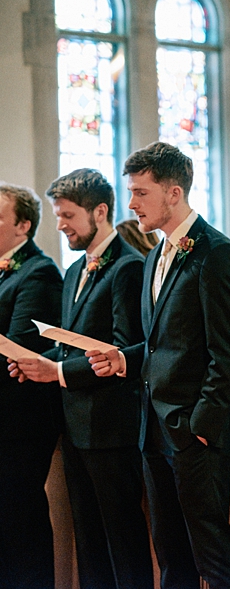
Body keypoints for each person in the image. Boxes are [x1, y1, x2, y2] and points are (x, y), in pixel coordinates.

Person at [89, 142, 230, 588]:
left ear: (173, 193)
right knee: (171, 557)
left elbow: (225, 349)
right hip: (153, 430)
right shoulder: (156, 254)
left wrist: (202, 423)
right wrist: (123, 357)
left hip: (191, 432)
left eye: (141, 193)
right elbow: (161, 343)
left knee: (211, 554)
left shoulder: (214, 252)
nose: (132, 204)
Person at [10, 169, 152, 588]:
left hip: (111, 428)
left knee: (122, 543)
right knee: (89, 543)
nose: (60, 225)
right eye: (57, 215)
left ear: (100, 212)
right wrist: (35, 362)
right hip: (74, 426)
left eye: (68, 215)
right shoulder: (75, 270)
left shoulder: (128, 267)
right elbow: (71, 346)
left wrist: (56, 370)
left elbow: (125, 350)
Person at [0, 183, 63, 588]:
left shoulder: (38, 272)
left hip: (18, 422)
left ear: (23, 225)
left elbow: (19, 349)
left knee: (19, 521)